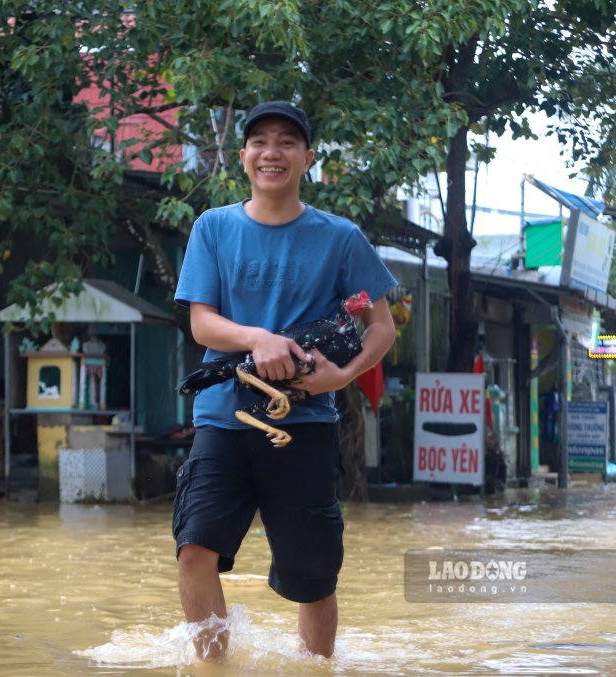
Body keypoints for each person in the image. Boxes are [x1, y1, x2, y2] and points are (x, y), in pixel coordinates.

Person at [173, 101, 398, 661]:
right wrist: (258, 338)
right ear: (244, 157)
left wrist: (339, 376)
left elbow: (379, 325)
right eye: (260, 142)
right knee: (195, 548)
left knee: (313, 573)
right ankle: (213, 669)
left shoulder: (341, 240)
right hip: (223, 417)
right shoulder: (214, 228)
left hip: (305, 422)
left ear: (307, 159)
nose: (272, 153)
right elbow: (201, 320)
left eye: (287, 143)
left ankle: (316, 671)